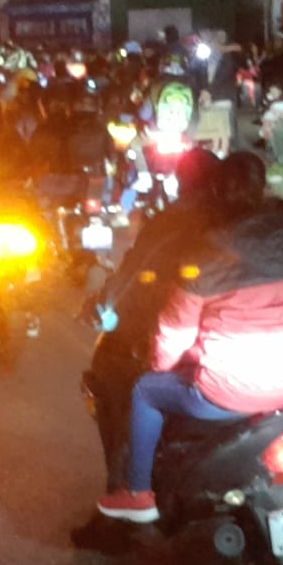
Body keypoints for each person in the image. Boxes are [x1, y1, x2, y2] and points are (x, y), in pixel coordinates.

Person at [98, 153, 283, 521]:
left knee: (146, 389)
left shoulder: (208, 255)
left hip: (231, 391)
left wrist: (159, 365)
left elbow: (173, 332)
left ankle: (138, 494)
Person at [83, 149, 224, 505]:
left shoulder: (173, 222)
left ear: (184, 181)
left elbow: (133, 271)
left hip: (189, 335)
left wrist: (105, 302)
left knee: (117, 377)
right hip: (248, 343)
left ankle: (127, 491)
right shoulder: (244, 220)